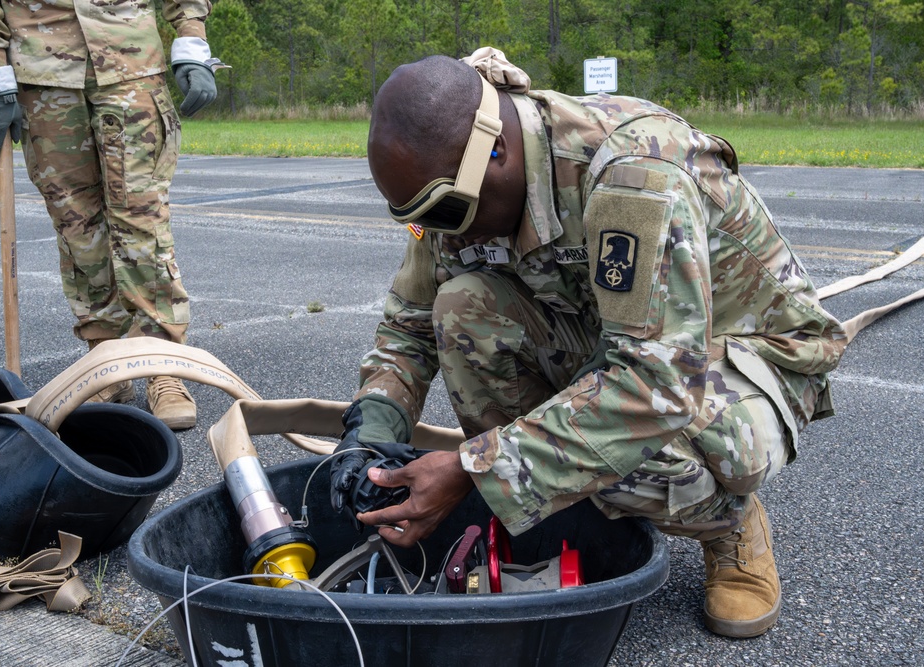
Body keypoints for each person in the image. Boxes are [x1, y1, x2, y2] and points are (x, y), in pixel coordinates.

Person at [329, 48, 848, 638]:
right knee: (462, 307)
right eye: (418, 219)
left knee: (684, 454)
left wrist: (476, 470)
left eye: (445, 210)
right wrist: (369, 431)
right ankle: (559, 508)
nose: (439, 231)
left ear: (494, 149)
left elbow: (656, 387)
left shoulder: (633, 177)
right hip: (615, 342)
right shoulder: (448, 196)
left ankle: (727, 525)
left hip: (739, 356)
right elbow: (411, 324)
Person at [0, 0, 223, 429]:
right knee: (76, 223)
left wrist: (192, 43)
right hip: (42, 73)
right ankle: (105, 360)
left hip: (130, 64)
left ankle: (162, 363)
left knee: (141, 218)